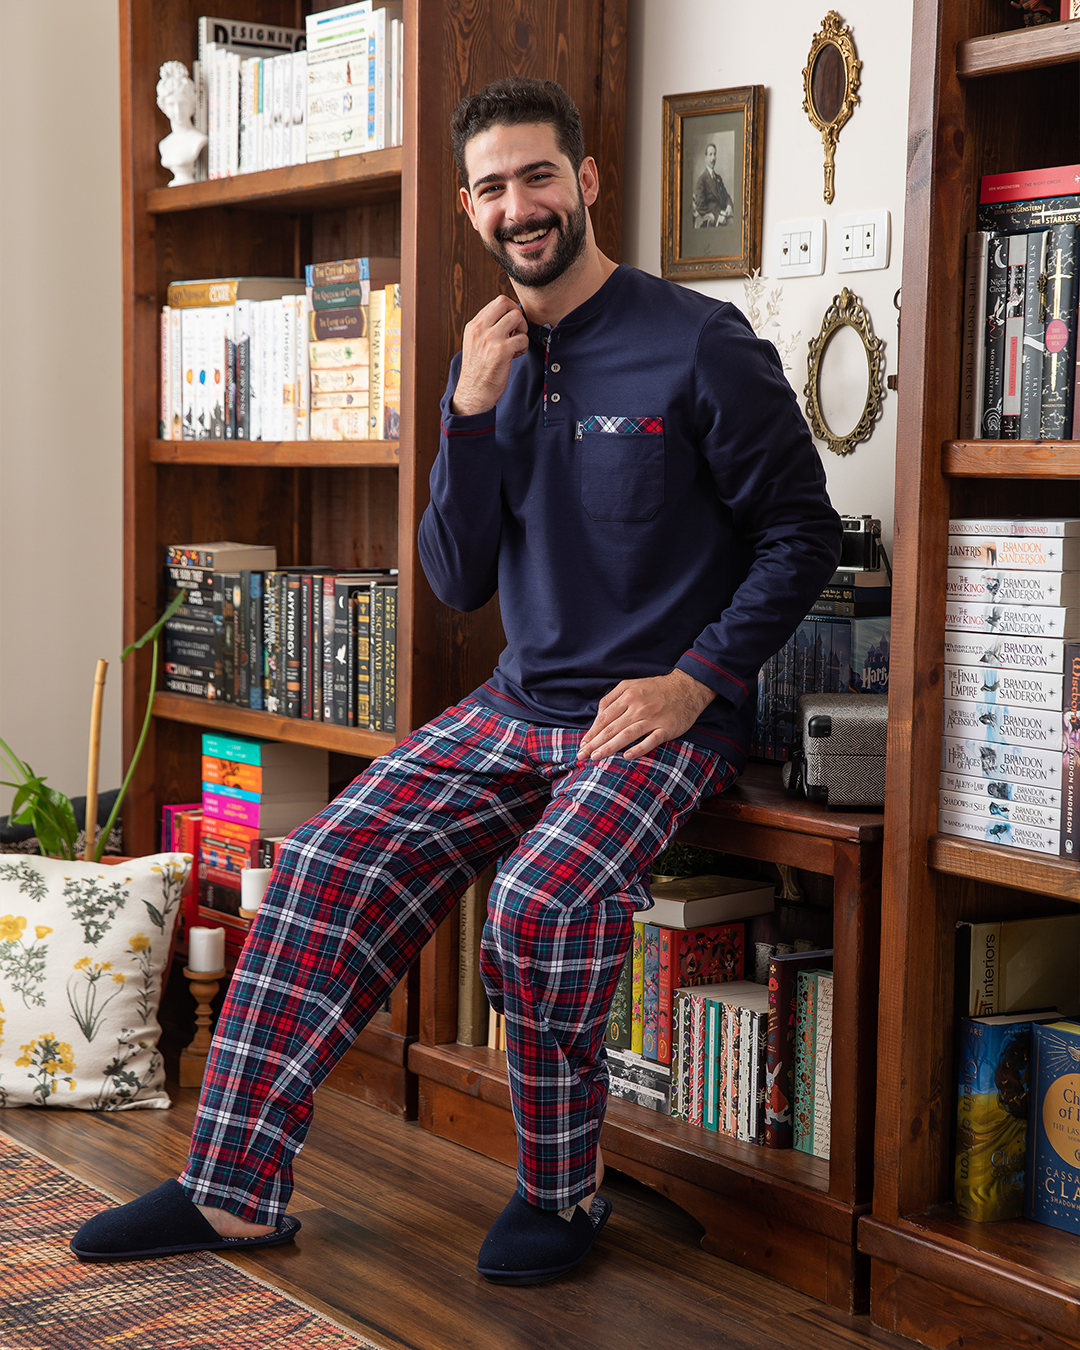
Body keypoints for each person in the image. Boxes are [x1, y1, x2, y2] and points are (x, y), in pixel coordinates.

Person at [72, 76, 842, 1286]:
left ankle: (561, 1191)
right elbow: (452, 576)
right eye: (492, 187)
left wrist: (695, 683)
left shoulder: (702, 342)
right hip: (516, 706)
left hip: (657, 721)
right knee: (319, 863)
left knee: (539, 903)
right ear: (471, 209)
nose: (518, 205)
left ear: (587, 181)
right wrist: (469, 414)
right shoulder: (482, 360)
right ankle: (230, 1191)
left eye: (538, 176)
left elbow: (804, 535)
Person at [692, 142, 733, 228]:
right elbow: (700, 206)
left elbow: (726, 196)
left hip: (724, 216)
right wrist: (717, 216)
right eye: (710, 154)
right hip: (712, 222)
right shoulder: (702, 180)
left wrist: (729, 206)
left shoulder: (718, 178)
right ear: (705, 158)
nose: (713, 158)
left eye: (714, 154)